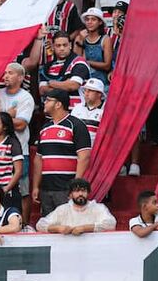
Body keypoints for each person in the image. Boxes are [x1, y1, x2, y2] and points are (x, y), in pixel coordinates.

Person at [32, 89, 91, 218]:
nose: (45, 103)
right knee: (49, 225)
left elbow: (84, 157)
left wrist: (76, 185)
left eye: (48, 100)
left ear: (58, 104)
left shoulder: (76, 125)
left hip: (66, 188)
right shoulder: (44, 128)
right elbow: (38, 159)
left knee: (70, 223)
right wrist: (36, 186)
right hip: (46, 188)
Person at [35, 177, 116, 234]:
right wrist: (58, 228)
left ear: (88, 193)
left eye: (83, 191)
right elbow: (40, 225)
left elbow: (111, 224)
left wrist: (84, 228)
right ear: (70, 194)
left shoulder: (98, 208)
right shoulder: (63, 209)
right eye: (76, 191)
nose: (80, 194)